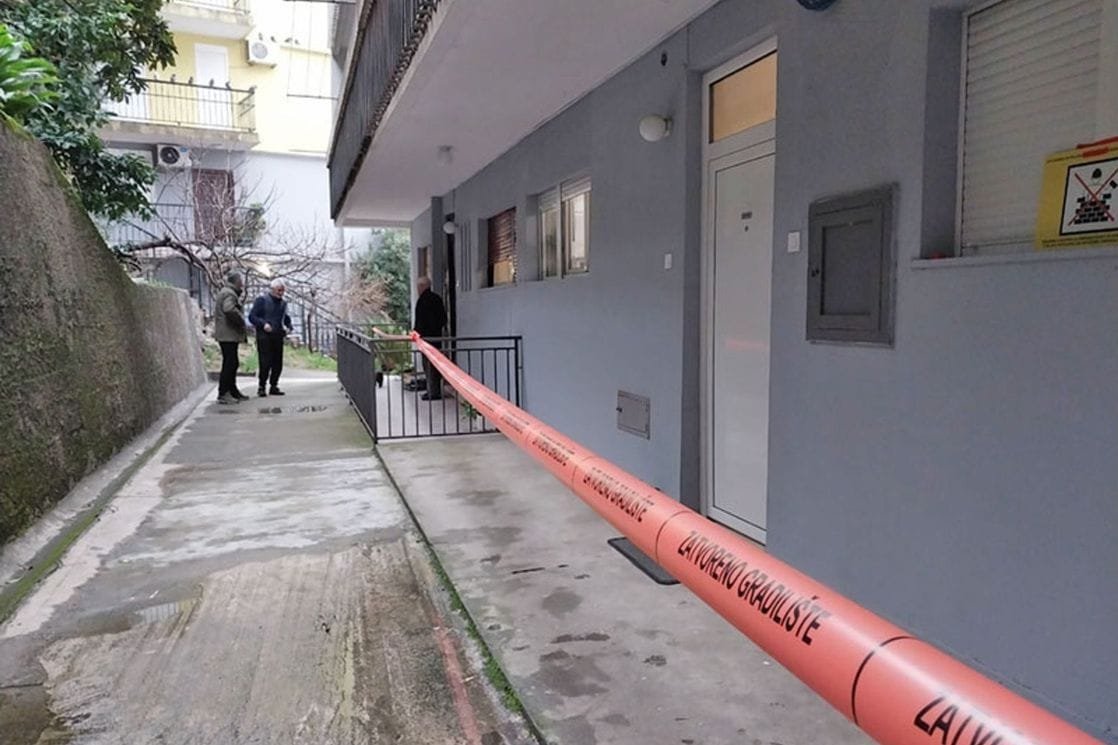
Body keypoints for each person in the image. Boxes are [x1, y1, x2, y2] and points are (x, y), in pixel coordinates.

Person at [249, 278, 294, 397]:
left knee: (277, 363)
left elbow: (286, 318)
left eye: (283, 291)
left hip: (278, 335)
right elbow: (252, 316)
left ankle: (274, 385)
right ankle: (262, 386)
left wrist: (289, 327)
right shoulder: (262, 300)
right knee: (265, 362)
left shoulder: (283, 303)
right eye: (279, 290)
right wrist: (263, 324)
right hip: (264, 336)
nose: (281, 293)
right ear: (273, 289)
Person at [213, 272, 249, 405]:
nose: (242, 284)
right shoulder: (229, 293)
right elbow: (229, 309)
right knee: (230, 363)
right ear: (237, 282)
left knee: (232, 362)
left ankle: (232, 390)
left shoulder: (226, 291)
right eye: (241, 281)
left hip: (226, 334)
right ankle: (224, 392)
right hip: (228, 334)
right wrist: (241, 319)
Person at [413, 276, 447, 400]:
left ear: (422, 287)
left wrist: (416, 334)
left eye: (418, 287)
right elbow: (443, 319)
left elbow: (420, 321)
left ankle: (432, 391)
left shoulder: (422, 301)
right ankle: (435, 389)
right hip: (436, 337)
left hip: (426, 338)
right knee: (435, 364)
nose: (417, 289)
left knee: (428, 365)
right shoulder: (437, 298)